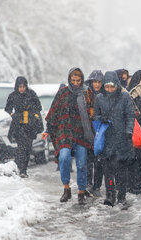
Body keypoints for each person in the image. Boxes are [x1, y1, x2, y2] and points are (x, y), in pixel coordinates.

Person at [42, 68, 94, 205]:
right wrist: (48, 130)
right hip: (64, 133)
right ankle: (66, 188)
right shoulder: (63, 93)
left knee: (82, 164)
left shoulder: (87, 93)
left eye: (78, 80)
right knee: (64, 158)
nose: (76, 83)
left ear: (82, 79)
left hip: (81, 135)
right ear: (69, 80)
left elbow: (93, 114)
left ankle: (81, 192)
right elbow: (53, 113)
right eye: (73, 80)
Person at [94, 71, 135, 206]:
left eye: (112, 86)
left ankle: (122, 195)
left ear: (116, 85)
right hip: (107, 138)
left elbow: (130, 115)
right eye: (107, 87)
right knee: (108, 169)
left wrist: (129, 131)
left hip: (122, 138)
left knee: (122, 169)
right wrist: (102, 119)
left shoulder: (125, 97)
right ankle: (110, 195)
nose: (110, 90)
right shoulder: (100, 98)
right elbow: (95, 116)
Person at [5, 76, 43, 178]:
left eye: (23, 86)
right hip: (18, 124)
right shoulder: (13, 95)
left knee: (27, 148)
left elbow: (39, 107)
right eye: (19, 86)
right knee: (21, 147)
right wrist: (13, 114)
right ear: (16, 86)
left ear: (26, 86)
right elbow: (7, 108)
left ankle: (24, 169)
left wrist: (32, 112)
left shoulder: (31, 94)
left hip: (30, 124)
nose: (22, 89)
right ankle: (20, 169)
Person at [84, 70, 105, 197]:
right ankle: (88, 184)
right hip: (87, 130)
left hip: (100, 131)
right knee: (88, 160)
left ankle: (97, 186)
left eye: (99, 82)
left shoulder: (105, 95)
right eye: (94, 82)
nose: (96, 84)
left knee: (99, 161)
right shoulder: (85, 95)